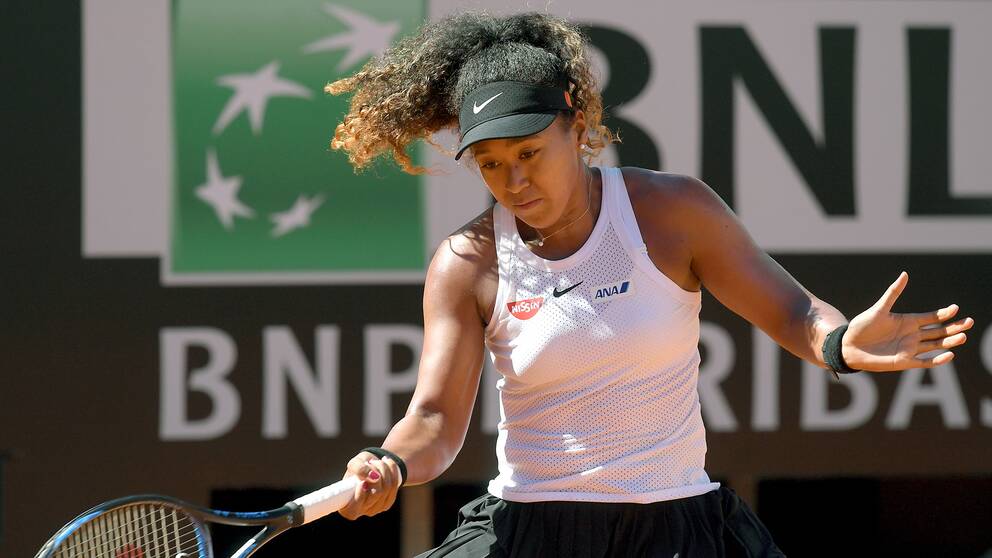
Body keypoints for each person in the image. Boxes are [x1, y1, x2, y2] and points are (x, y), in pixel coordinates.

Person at [322, 11, 974, 557]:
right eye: (491, 164)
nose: (514, 181)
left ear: (577, 128)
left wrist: (838, 344)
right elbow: (434, 419)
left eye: (529, 153)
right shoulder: (467, 262)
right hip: (530, 529)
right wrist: (390, 463)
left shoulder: (672, 212)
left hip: (679, 526)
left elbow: (791, 310)